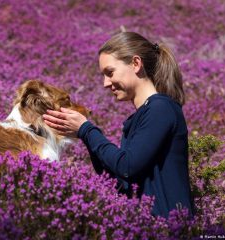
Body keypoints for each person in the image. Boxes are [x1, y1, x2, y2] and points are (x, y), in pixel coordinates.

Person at [42, 32, 195, 219]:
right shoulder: (142, 115)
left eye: (110, 72)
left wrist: (87, 129)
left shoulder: (161, 109)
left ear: (136, 64)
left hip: (169, 228)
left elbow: (127, 166)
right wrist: (82, 134)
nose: (105, 83)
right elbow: (119, 178)